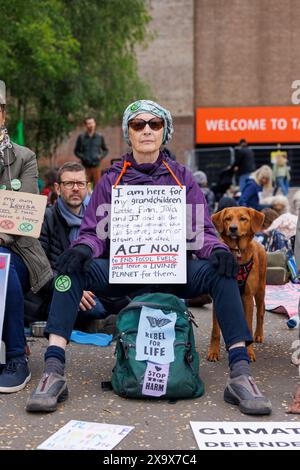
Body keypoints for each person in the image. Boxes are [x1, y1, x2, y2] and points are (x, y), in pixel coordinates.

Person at [26, 99, 272, 416]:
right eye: (137, 124)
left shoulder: (182, 177)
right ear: (129, 133)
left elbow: (203, 232)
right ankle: (53, 371)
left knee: (222, 272)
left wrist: (220, 251)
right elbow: (93, 231)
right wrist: (83, 248)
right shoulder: (110, 180)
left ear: (164, 131)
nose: (146, 130)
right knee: (67, 274)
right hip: (125, 268)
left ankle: (240, 374)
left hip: (173, 268)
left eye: (154, 124)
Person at [0, 80, 52, 393]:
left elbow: (24, 214)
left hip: (17, 250)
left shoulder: (24, 158)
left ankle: (17, 357)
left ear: (2, 115)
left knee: (1, 264)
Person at [38, 162, 108, 321]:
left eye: (80, 183)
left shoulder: (99, 219)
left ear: (88, 187)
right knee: (93, 310)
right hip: (56, 290)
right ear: (57, 188)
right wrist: (72, 288)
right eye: (69, 183)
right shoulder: (46, 218)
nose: (75, 188)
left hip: (93, 289)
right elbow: (41, 271)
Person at [74, 116, 108, 186]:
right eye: (89, 123)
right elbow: (76, 151)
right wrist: (83, 157)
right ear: (86, 125)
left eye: (92, 123)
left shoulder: (100, 137)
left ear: (95, 124)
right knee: (84, 186)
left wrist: (100, 157)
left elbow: (105, 150)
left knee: (97, 187)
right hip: (85, 167)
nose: (91, 125)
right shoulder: (81, 137)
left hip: (96, 167)